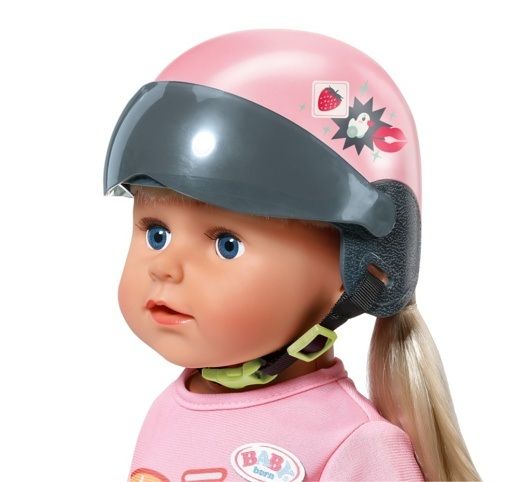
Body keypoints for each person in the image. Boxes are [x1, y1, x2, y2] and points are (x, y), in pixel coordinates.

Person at [103, 29, 481, 481]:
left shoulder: (354, 444)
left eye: (226, 244)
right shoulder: (169, 409)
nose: (165, 267)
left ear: (360, 265)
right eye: (157, 233)